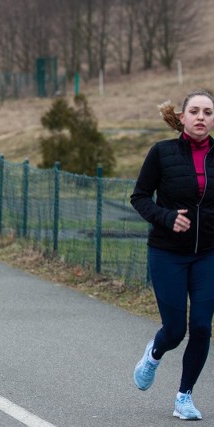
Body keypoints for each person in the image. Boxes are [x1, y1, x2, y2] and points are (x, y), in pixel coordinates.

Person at [130, 89, 214, 421]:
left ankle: (184, 397)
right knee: (176, 330)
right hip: (167, 253)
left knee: (203, 327)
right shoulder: (162, 153)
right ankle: (153, 355)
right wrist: (166, 217)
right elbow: (139, 197)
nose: (201, 117)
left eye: (208, 112)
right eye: (194, 111)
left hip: (208, 254)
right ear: (181, 117)